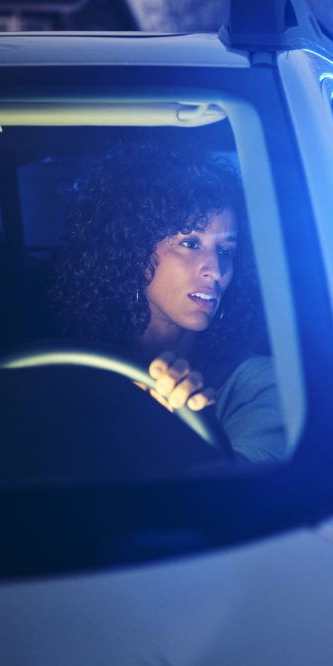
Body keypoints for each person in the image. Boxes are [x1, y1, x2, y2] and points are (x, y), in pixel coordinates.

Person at [49, 135, 285, 463]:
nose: (216, 270)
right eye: (190, 244)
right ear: (133, 250)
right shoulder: (65, 373)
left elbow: (246, 495)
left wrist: (183, 426)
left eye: (226, 250)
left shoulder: (257, 383)